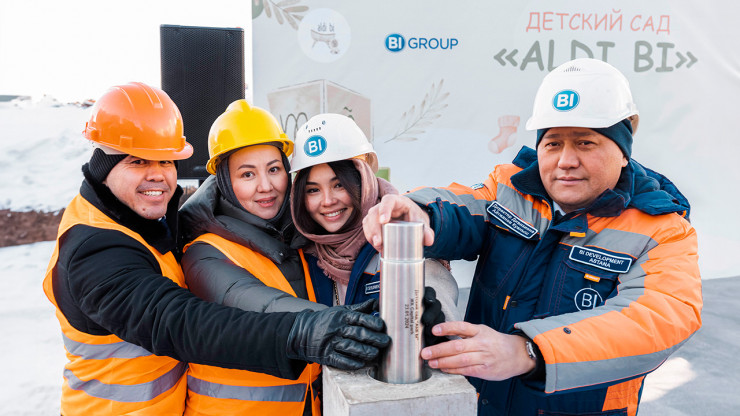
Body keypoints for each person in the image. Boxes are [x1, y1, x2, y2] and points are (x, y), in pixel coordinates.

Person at [362, 59, 702, 416]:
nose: (566, 161)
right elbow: (459, 205)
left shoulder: (661, 231)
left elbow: (659, 319)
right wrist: (417, 209)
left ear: (623, 151)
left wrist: (529, 351)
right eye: (553, 143)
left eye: (585, 142)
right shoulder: (509, 190)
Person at [42, 82, 389, 415]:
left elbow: (363, 204)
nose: (158, 175)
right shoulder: (95, 249)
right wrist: (303, 333)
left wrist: (398, 206)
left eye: (166, 161)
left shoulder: (145, 223)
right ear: (104, 165)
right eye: (138, 161)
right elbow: (177, 321)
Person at [179, 100, 331, 415]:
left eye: (274, 169)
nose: (266, 186)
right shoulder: (203, 252)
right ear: (224, 181)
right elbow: (264, 306)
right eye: (247, 174)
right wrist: (351, 324)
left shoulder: (301, 235)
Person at [289, 113, 460, 346]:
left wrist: (424, 321)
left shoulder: (404, 235)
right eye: (313, 190)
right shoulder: (300, 252)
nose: (327, 201)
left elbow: (436, 295)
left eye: (339, 184)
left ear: (364, 179)